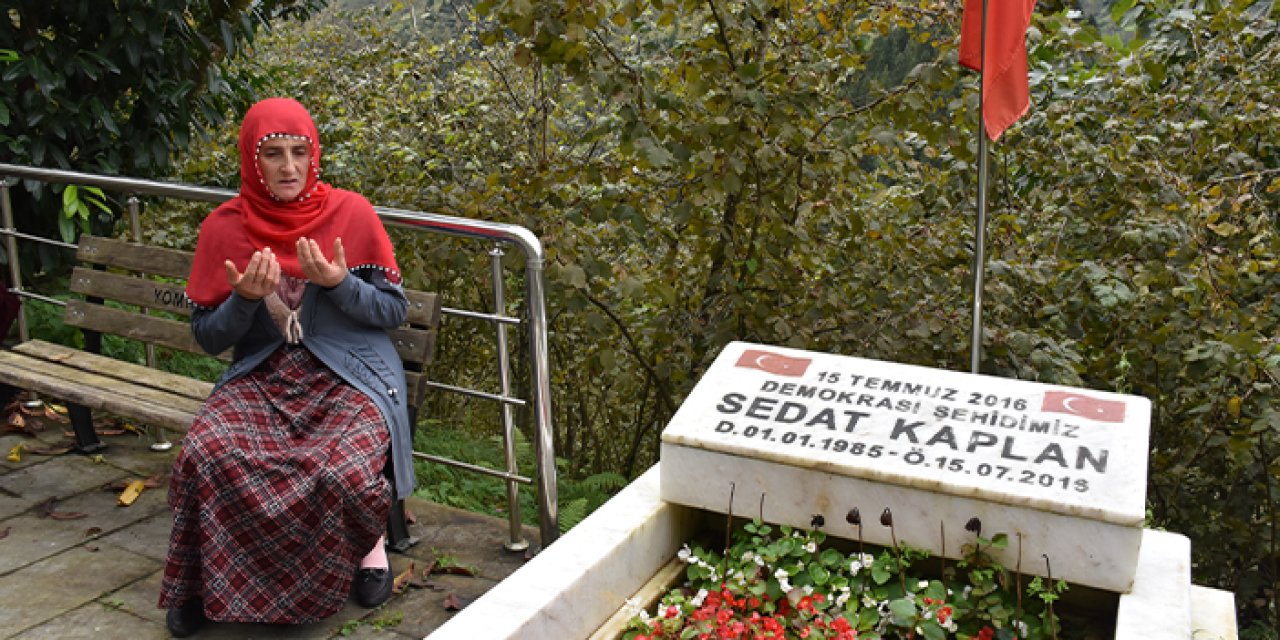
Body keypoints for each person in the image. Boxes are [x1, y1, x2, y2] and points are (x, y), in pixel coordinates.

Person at [159, 97, 415, 637]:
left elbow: (393, 311)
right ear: (252, 161)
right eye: (273, 154)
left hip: (354, 374)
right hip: (265, 372)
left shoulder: (351, 213)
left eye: (300, 152)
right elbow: (208, 337)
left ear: (315, 154)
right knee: (207, 451)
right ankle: (199, 578)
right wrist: (245, 301)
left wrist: (339, 284)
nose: (289, 167)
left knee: (340, 468)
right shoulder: (224, 227)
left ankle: (370, 550)